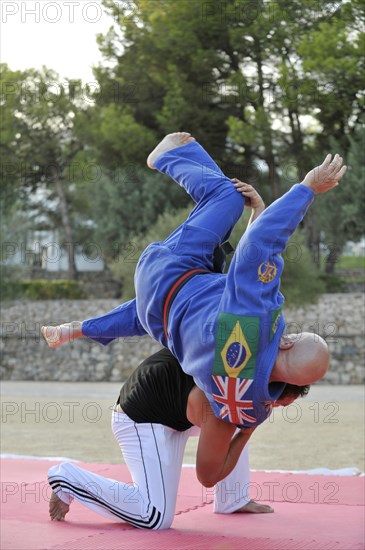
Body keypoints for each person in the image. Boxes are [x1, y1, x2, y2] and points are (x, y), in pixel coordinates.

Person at [43, 132, 347, 489]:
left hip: (174, 270)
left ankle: (170, 155)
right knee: (159, 314)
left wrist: (307, 189)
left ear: (286, 344)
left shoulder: (258, 322)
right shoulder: (248, 404)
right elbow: (208, 475)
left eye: (292, 333)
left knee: (228, 197)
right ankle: (75, 330)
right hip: (161, 313)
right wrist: (250, 426)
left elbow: (260, 248)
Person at [48, 348, 281, 527]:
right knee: (154, 517)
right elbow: (207, 476)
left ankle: (233, 499)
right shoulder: (232, 352)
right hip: (141, 422)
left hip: (176, 412)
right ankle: (67, 478)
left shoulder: (243, 355)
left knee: (238, 418)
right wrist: (248, 429)